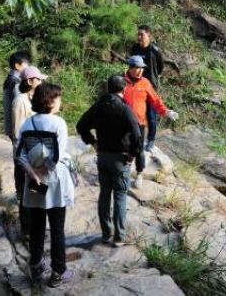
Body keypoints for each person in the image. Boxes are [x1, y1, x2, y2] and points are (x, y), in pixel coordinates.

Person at [16, 82, 75, 287]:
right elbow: (57, 156)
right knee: (57, 228)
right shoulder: (59, 123)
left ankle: (36, 266)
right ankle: (58, 272)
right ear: (49, 101)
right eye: (58, 98)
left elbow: (20, 155)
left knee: (37, 225)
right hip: (55, 181)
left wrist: (34, 174)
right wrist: (43, 172)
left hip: (34, 182)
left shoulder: (27, 124)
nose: (60, 101)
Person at [76, 75, 141, 247]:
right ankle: (119, 237)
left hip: (103, 156)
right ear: (124, 89)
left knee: (104, 194)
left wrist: (93, 142)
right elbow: (137, 134)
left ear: (108, 88)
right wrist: (133, 154)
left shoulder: (98, 106)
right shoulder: (125, 109)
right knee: (120, 196)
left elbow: (80, 125)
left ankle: (106, 234)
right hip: (120, 158)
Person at [123, 56, 178, 188]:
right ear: (130, 68)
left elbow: (155, 100)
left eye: (142, 68)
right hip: (122, 123)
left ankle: (139, 174)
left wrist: (166, 112)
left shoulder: (145, 83)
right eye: (137, 68)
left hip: (139, 123)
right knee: (122, 148)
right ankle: (122, 172)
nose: (140, 71)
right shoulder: (121, 82)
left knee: (139, 150)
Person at [11, 66, 47, 237]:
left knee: (38, 190)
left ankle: (37, 227)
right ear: (30, 81)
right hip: (25, 155)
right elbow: (17, 132)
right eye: (38, 79)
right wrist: (22, 158)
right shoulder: (20, 101)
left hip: (36, 155)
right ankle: (27, 229)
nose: (41, 82)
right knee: (26, 192)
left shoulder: (34, 99)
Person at [130, 25, 164, 151]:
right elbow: (132, 64)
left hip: (151, 87)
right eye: (138, 34)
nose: (139, 37)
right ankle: (137, 139)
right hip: (136, 86)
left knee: (150, 115)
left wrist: (152, 78)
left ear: (148, 35)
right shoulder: (135, 48)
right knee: (135, 114)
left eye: (141, 34)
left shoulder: (154, 50)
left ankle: (150, 140)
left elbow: (160, 67)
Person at [3, 51, 30, 139]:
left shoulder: (12, 79)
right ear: (17, 66)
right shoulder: (15, 81)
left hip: (13, 124)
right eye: (26, 63)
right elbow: (19, 106)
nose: (28, 66)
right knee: (19, 149)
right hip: (17, 125)